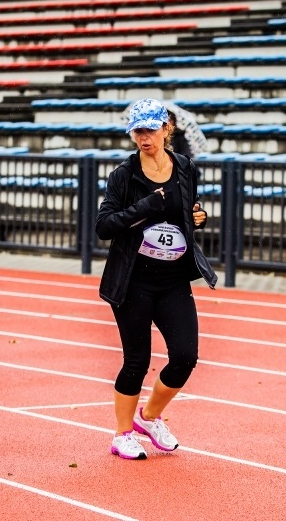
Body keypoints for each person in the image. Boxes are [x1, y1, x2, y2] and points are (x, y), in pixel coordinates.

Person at [95, 98, 217, 460]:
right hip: (133, 280)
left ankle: (148, 418)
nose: (144, 137)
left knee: (185, 356)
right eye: (138, 131)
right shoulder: (124, 175)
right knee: (137, 359)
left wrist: (196, 218)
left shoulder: (185, 168)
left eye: (150, 129)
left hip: (174, 277)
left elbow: (186, 211)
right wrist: (146, 206)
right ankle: (121, 434)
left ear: (167, 129)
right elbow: (104, 226)